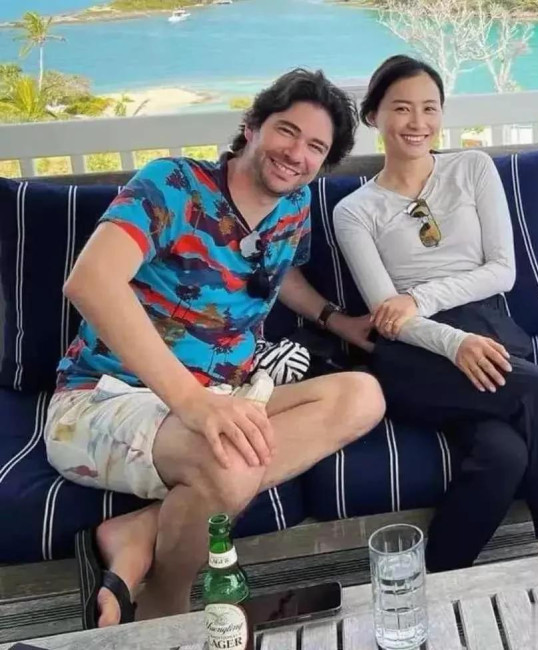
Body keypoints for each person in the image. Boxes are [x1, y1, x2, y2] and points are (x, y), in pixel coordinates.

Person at [44, 68, 385, 629]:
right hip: (104, 399)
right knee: (230, 463)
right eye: (287, 131)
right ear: (252, 127)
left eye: (316, 147)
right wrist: (193, 403)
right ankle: (166, 604)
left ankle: (139, 531)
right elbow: (90, 281)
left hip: (225, 395)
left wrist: (335, 320)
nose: (296, 154)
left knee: (363, 396)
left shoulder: (293, 205)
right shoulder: (173, 185)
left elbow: (278, 273)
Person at [333, 55, 538, 573]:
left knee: (503, 456)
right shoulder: (355, 210)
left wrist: (421, 297)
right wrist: (452, 342)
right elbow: (389, 316)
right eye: (402, 108)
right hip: (412, 353)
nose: (417, 122)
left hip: (485, 329)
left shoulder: (471, 169)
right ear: (374, 115)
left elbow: (502, 271)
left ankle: (429, 581)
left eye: (430, 108)